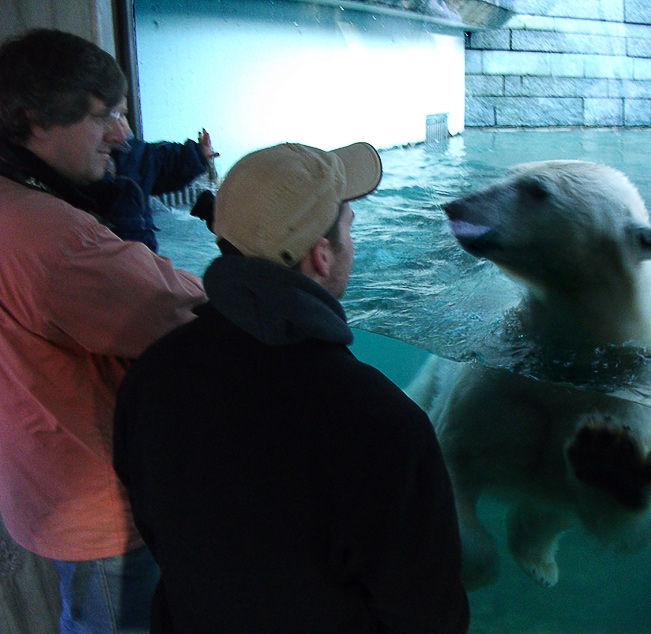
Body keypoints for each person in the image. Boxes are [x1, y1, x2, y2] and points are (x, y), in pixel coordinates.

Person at [113, 142, 470, 633]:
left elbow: (158, 534)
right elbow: (431, 616)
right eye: (348, 228)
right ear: (321, 258)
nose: (352, 240)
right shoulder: (379, 424)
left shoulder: (152, 375)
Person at [0, 28, 206, 633]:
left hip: (39, 485)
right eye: (104, 116)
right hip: (101, 511)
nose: (123, 134)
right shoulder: (54, 237)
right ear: (36, 121)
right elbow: (182, 318)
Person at [84, 109, 218, 252]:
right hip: (111, 256)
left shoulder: (135, 156)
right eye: (104, 116)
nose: (118, 128)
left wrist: (197, 154)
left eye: (121, 114)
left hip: (143, 253)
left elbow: (164, 162)